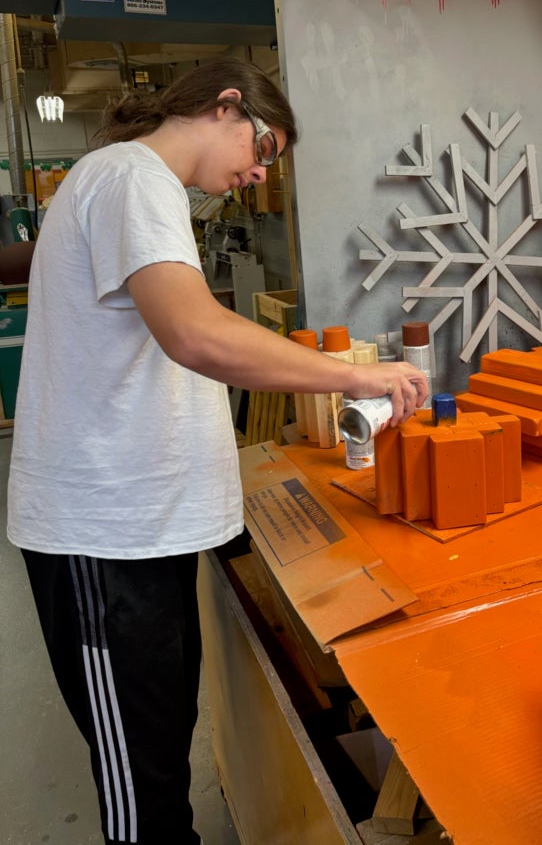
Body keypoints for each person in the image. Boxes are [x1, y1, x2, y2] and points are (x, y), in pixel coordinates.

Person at [6, 57, 428, 845]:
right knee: (144, 791)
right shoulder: (134, 177)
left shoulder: (129, 183)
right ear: (227, 107)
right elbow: (195, 332)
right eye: (262, 152)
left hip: (138, 532)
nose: (253, 175)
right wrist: (349, 376)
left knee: (159, 755)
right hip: (104, 539)